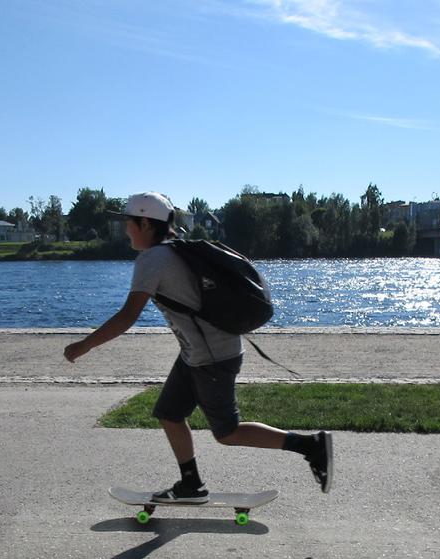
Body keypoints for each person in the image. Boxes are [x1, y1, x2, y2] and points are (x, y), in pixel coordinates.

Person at [64, 191, 333, 503]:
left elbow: (127, 316)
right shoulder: (172, 251)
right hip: (198, 353)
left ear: (146, 224)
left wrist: (83, 346)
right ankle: (191, 485)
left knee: (227, 432)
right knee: (169, 413)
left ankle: (311, 446)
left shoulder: (152, 260)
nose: (125, 229)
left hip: (213, 357)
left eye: (129, 222)